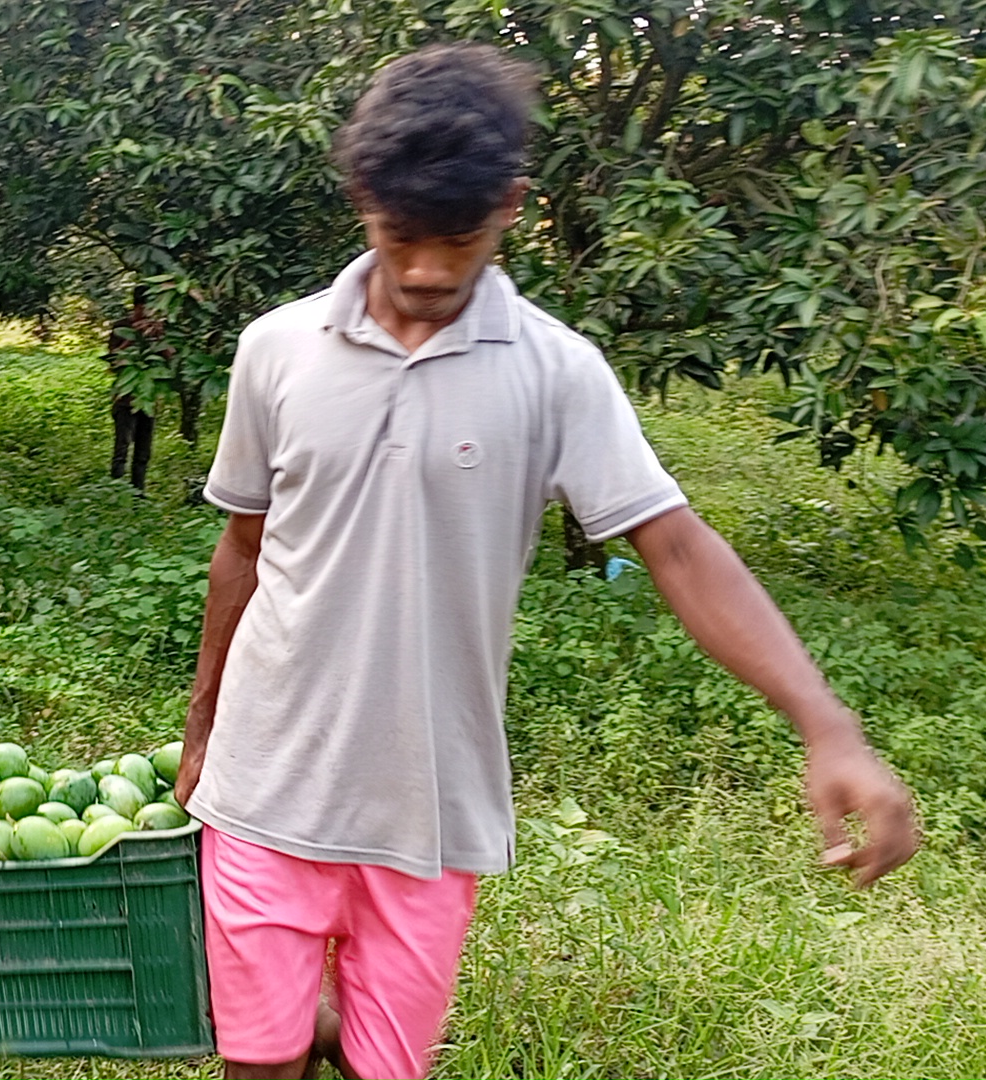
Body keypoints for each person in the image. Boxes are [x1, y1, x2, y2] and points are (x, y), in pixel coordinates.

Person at [174, 44, 920, 1080]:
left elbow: (677, 546)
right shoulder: (278, 350)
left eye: (460, 237)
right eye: (402, 236)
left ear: (515, 206)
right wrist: (202, 726)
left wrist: (828, 725)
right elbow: (243, 546)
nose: (431, 269)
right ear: (359, 198)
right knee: (259, 1063)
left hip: (431, 816)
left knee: (383, 1068)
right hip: (267, 789)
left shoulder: (556, 370)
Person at [106, 286, 165, 490]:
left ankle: (138, 493)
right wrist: (132, 337)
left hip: (148, 399)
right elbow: (113, 363)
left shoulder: (159, 329)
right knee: (122, 447)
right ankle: (115, 490)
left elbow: (171, 359)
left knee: (143, 451)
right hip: (125, 399)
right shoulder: (120, 327)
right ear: (137, 307)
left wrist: (160, 337)